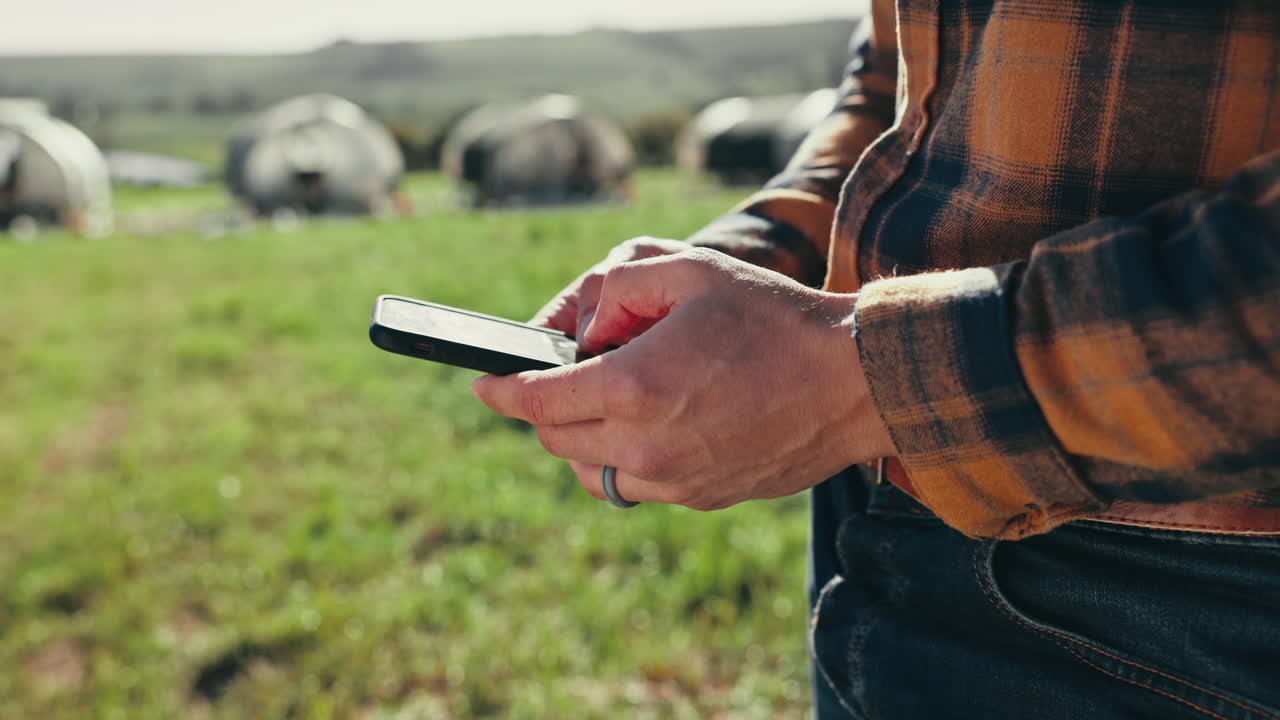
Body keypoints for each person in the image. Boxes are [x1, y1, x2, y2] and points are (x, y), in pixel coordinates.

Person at [472, 1, 1280, 717]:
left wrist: (857, 378)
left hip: (1193, 586)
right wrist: (732, 267)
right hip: (875, 506)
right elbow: (897, 87)